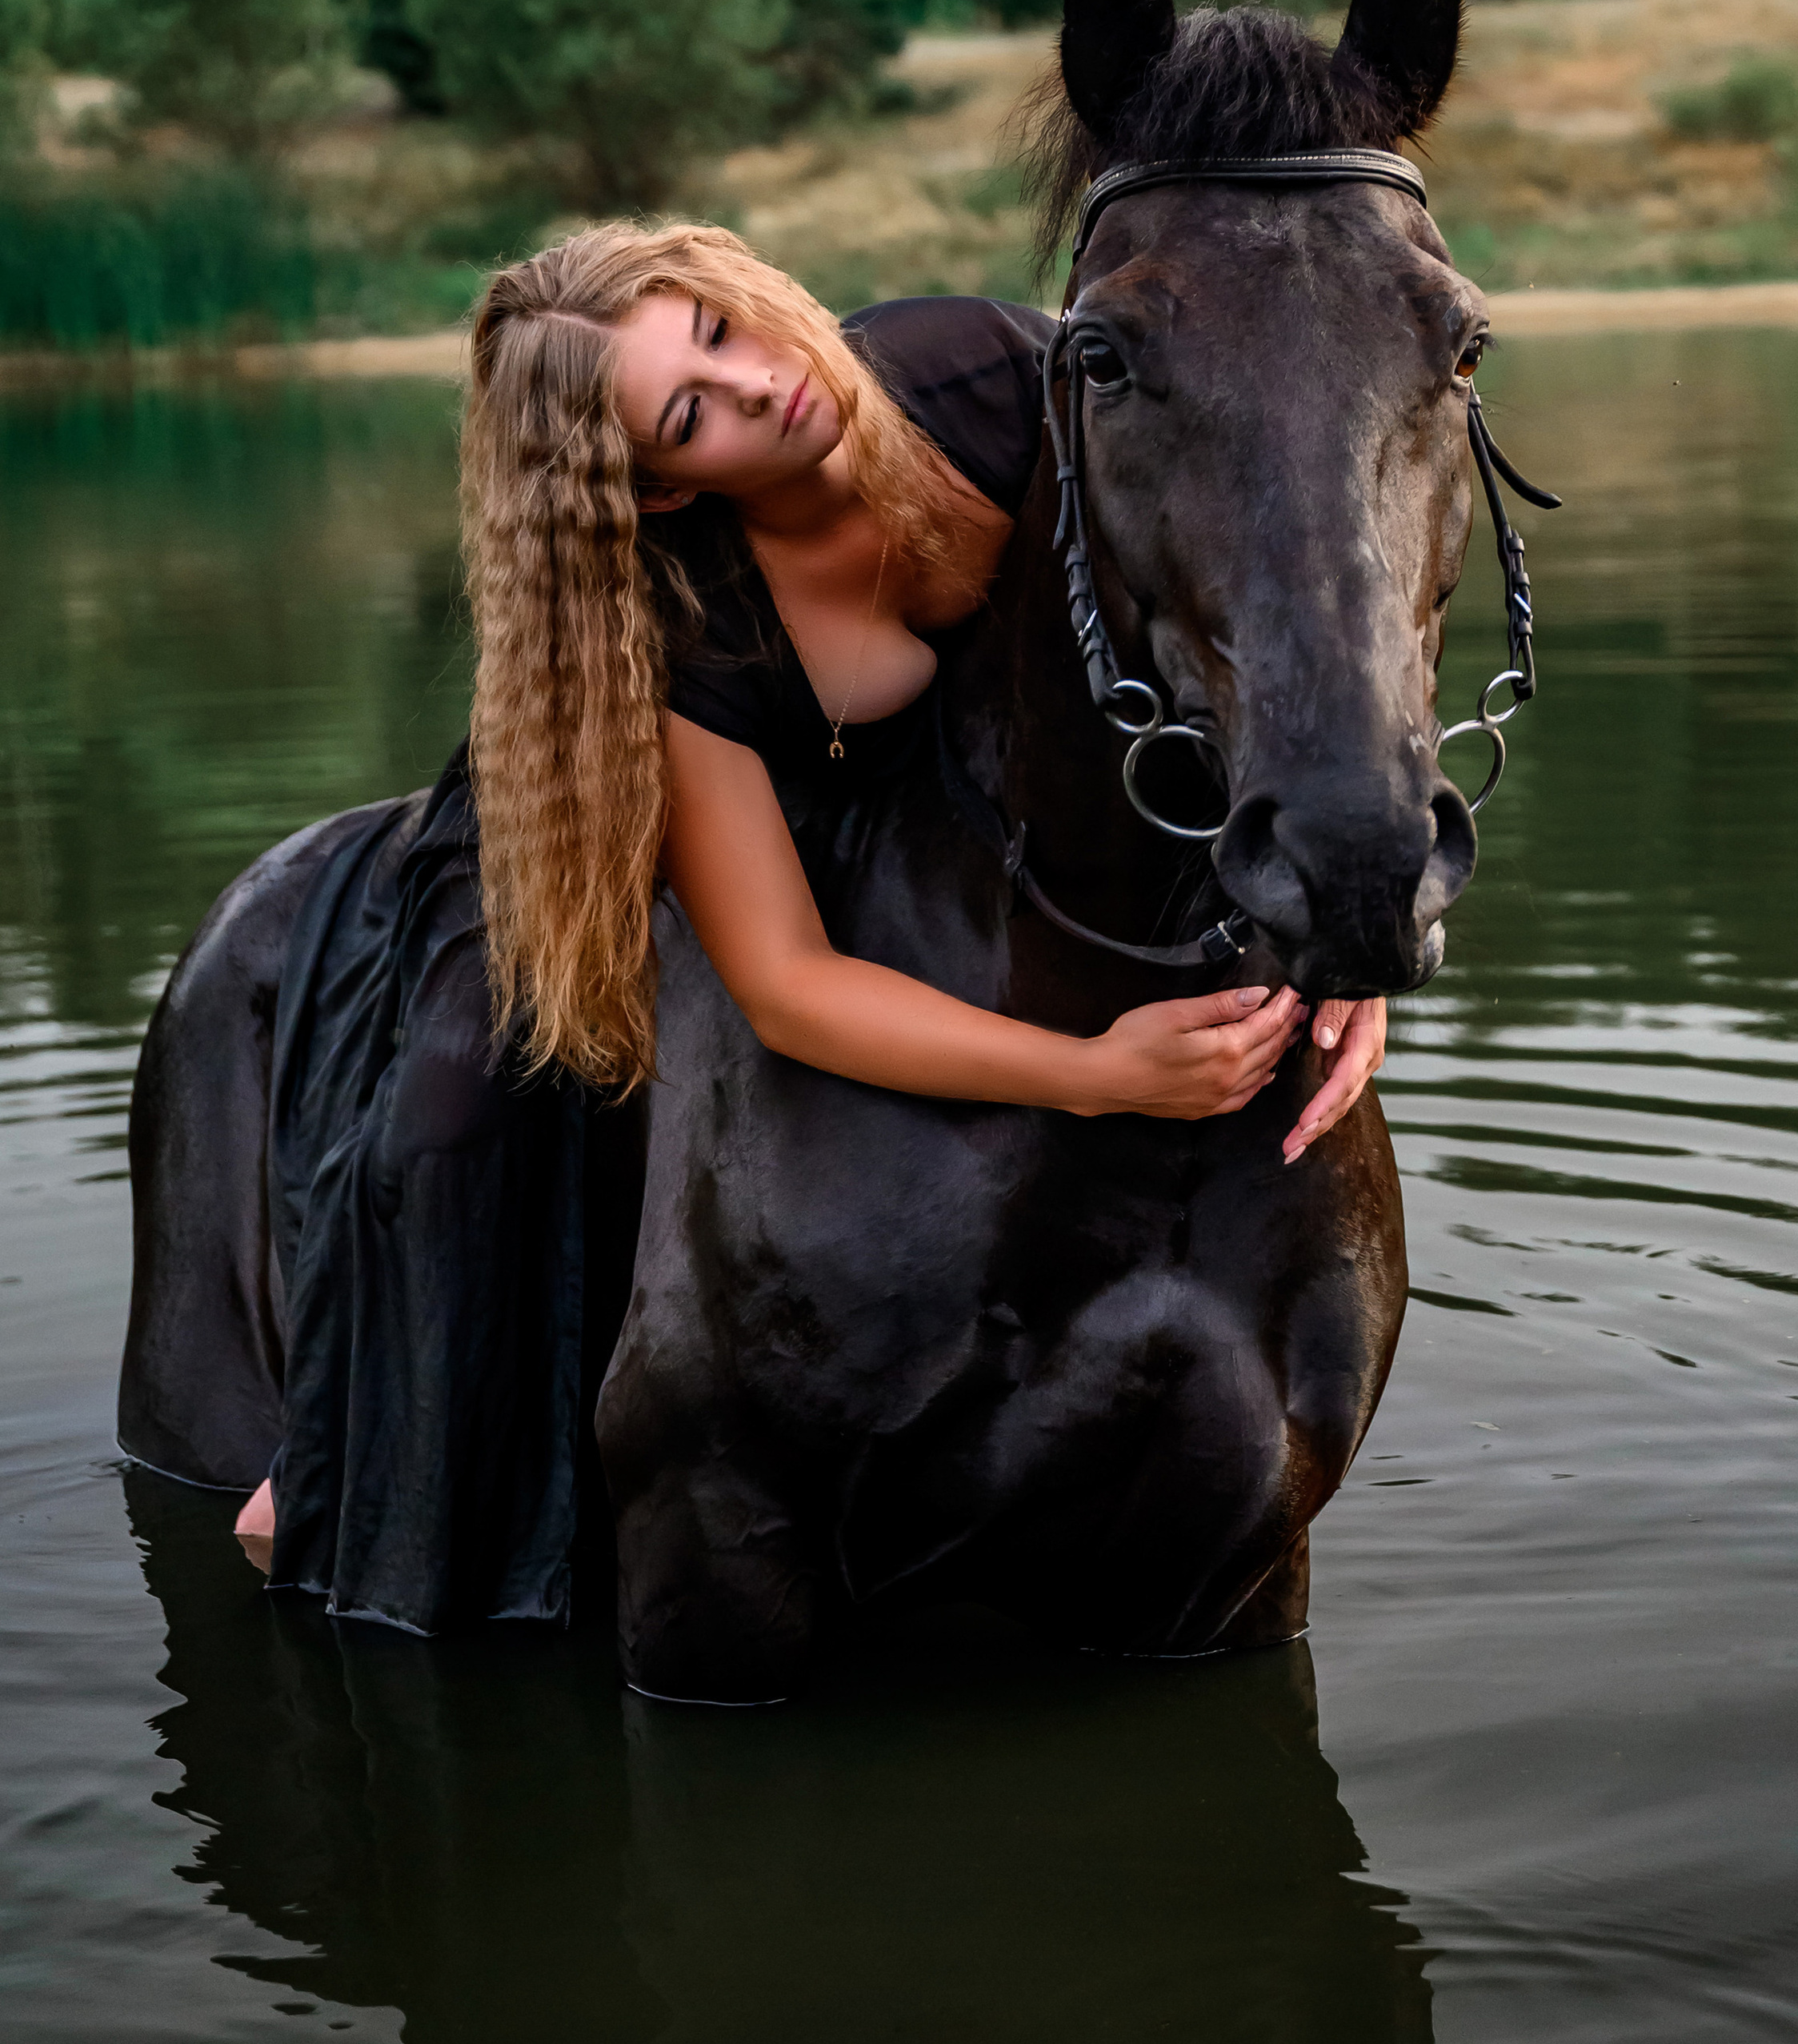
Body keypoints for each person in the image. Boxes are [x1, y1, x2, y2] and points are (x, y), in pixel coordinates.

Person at [234, 221, 1386, 1620]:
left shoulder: (984, 375)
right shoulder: (685, 621)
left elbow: (1219, 638)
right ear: (659, 492)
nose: (754, 387)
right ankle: (336, 1447)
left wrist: (1330, 925)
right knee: (464, 1103)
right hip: (629, 818)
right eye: (689, 416)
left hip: (959, 812)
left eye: (719, 333)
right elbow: (782, 983)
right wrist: (1097, 1076)